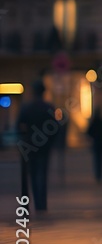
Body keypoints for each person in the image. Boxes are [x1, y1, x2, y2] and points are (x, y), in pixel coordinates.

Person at [17, 79, 55, 212]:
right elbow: (55, 128)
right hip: (44, 145)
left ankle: (33, 202)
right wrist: (50, 141)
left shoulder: (27, 107)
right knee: (42, 174)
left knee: (32, 174)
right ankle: (41, 204)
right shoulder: (48, 107)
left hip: (30, 145)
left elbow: (19, 125)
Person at [87, 108, 102, 183]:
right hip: (101, 143)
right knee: (100, 159)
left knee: (97, 159)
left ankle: (98, 175)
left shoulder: (94, 122)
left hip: (96, 142)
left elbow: (89, 132)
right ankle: (99, 174)